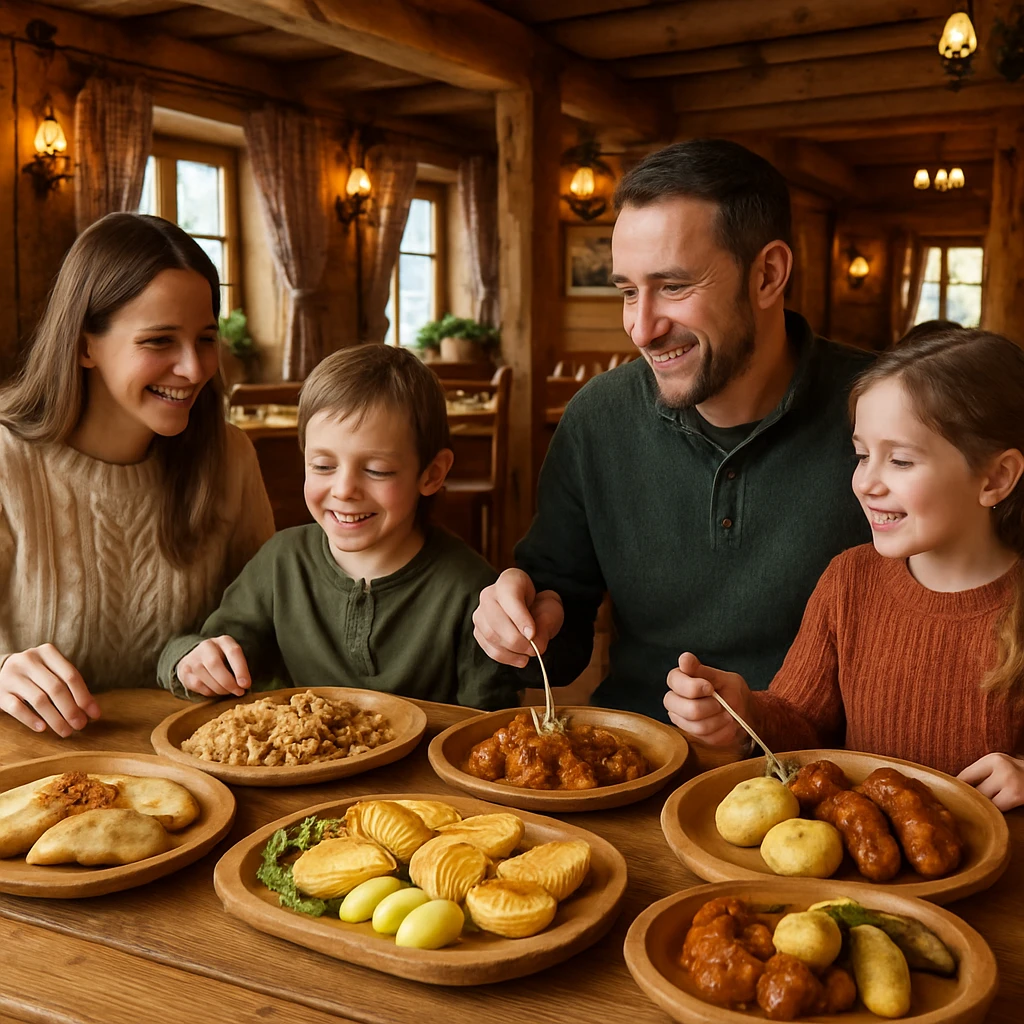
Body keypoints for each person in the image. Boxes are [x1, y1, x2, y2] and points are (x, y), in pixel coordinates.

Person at [473, 139, 871, 720]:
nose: (640, 327)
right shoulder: (597, 418)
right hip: (639, 760)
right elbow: (562, 632)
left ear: (768, 274)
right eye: (628, 292)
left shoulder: (884, 414)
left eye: (674, 287)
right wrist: (524, 621)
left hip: (824, 774)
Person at [665, 325, 1024, 810]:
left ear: (996, 478)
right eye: (861, 455)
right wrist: (744, 713)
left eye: (899, 460)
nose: (866, 483)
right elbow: (801, 720)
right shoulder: (849, 580)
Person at [0, 212, 275, 738]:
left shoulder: (230, 457)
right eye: (159, 341)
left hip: (197, 770)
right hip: (31, 773)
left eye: (206, 338)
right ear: (84, 345)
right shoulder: (7, 461)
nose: (194, 369)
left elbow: (268, 623)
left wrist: (236, 651)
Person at [158, 344, 519, 710]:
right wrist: (191, 660)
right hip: (298, 765)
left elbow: (490, 725)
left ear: (432, 474)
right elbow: (214, 652)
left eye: (377, 470)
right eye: (323, 466)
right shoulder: (280, 563)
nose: (344, 490)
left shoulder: (472, 591)